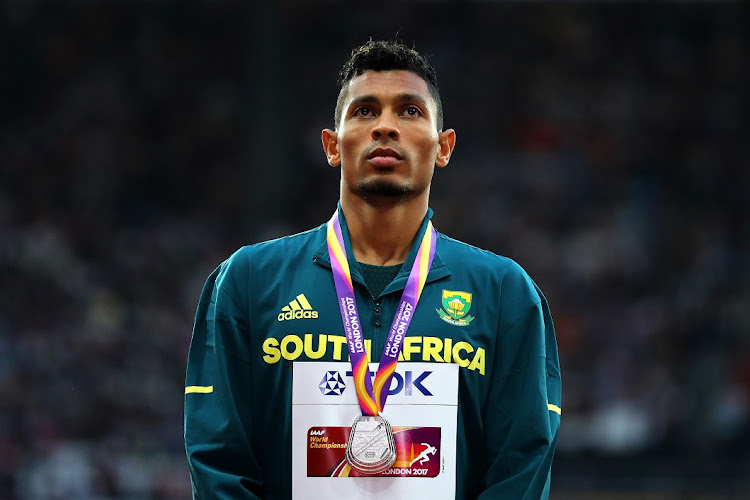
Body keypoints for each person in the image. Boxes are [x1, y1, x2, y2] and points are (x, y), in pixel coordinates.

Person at [184, 39, 561, 499]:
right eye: (364, 111)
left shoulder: (505, 294)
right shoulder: (247, 282)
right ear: (332, 145)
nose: (385, 126)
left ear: (443, 147)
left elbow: (520, 472)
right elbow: (219, 463)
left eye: (409, 111)